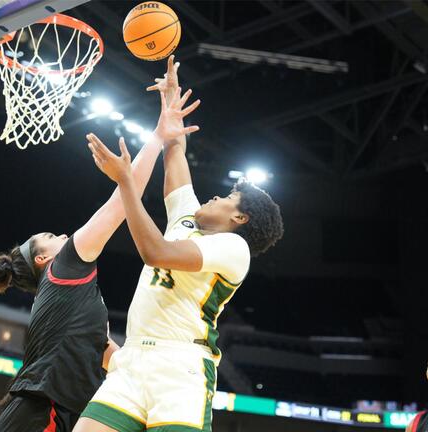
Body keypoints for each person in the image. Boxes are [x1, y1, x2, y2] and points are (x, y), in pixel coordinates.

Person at [76, 56, 284, 432]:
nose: (214, 198)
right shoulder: (187, 217)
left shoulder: (234, 251)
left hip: (181, 367)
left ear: (240, 219)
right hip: (133, 358)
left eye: (226, 198)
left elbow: (155, 254)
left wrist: (126, 182)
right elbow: (176, 154)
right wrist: (170, 104)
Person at [0, 80, 201, 432]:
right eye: (51, 237)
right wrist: (159, 137)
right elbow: (119, 206)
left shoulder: (72, 303)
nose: (64, 235)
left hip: (55, 413)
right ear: (42, 260)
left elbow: (112, 358)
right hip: (41, 414)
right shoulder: (63, 268)